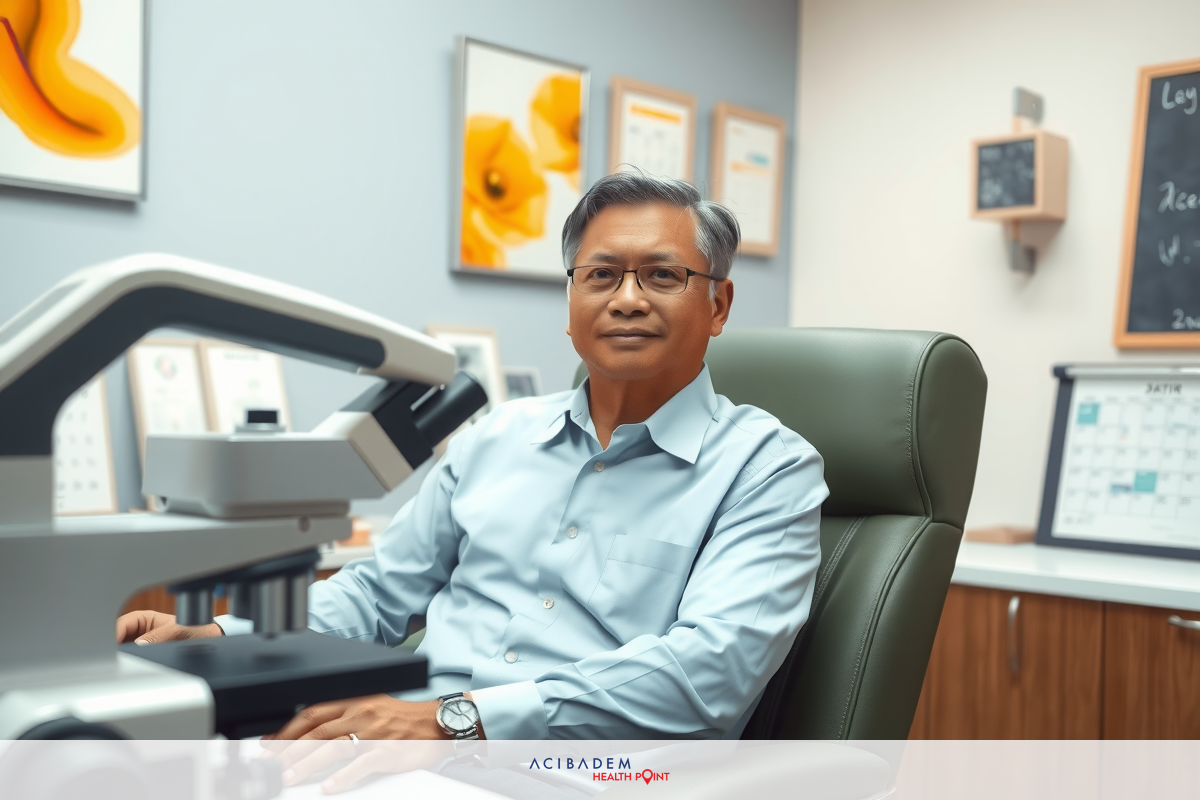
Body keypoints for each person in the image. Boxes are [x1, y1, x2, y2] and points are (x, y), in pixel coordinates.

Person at [118, 172, 827, 756]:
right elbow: (375, 595)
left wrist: (454, 719)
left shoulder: (768, 469)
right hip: (400, 743)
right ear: (572, 302)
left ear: (718, 304)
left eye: (663, 276)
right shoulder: (496, 436)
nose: (628, 299)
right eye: (602, 275)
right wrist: (217, 637)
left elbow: (708, 673)